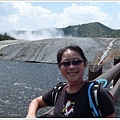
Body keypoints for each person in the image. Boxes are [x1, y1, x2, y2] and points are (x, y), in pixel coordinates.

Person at [26, 45, 115, 118]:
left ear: (85, 64)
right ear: (60, 67)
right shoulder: (58, 90)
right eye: (66, 63)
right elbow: (36, 101)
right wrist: (31, 115)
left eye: (76, 62)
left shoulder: (98, 93)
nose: (71, 67)